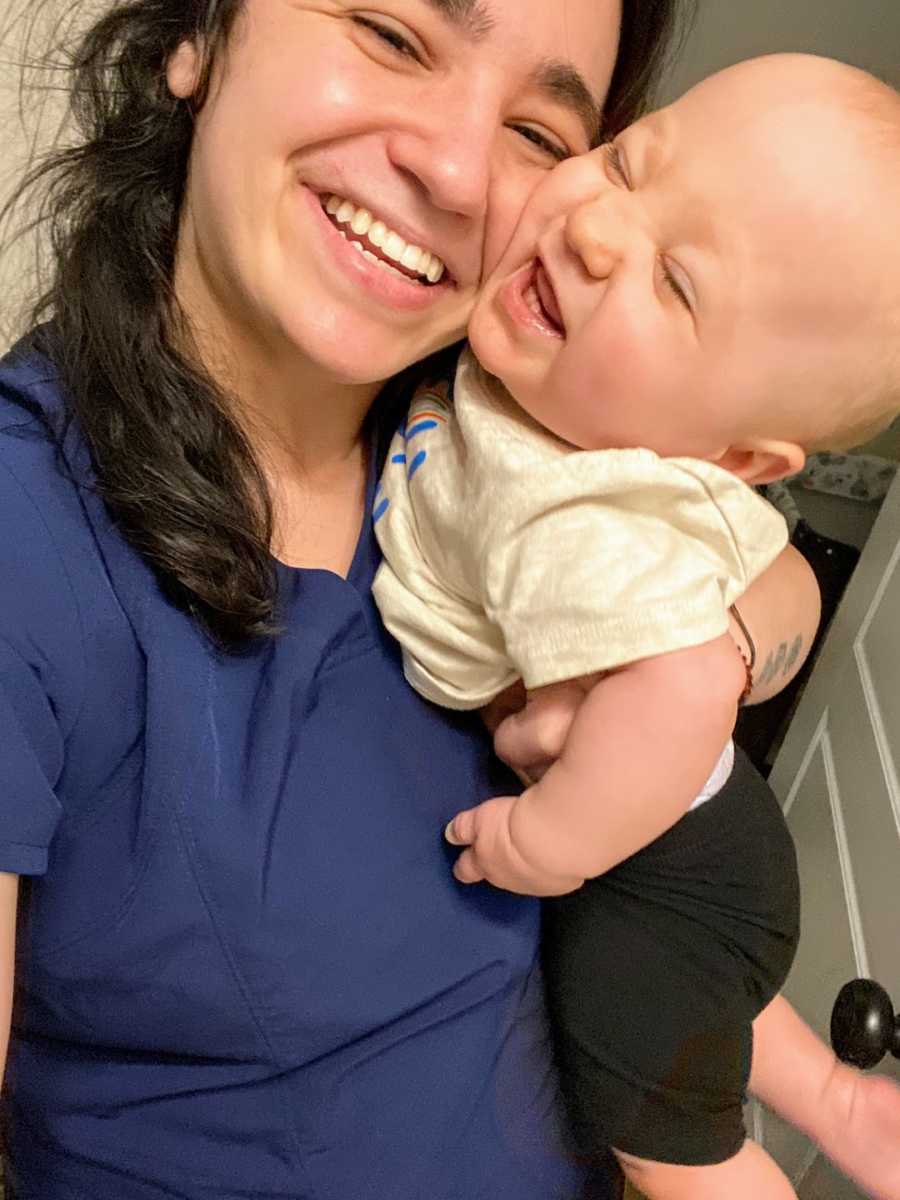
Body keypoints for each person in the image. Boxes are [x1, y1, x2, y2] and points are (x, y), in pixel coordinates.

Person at [0, 2, 821, 1197]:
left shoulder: (506, 427)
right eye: (392, 35)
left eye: (539, 132)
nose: (452, 168)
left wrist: (711, 652)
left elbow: (778, 580)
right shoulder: (30, 528)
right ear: (201, 38)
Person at [372, 54, 900, 1200]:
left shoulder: (576, 506)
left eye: (678, 285)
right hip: (700, 842)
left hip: (656, 860)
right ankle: (846, 1102)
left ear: (736, 457)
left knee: (657, 1118)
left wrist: (543, 842)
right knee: (698, 1003)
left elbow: (687, 683)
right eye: (624, 163)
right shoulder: (553, 397)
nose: (602, 233)